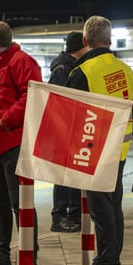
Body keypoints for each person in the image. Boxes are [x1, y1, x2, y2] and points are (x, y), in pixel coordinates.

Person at [65, 16, 133, 265]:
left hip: (93, 151)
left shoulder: (81, 72)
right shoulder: (126, 70)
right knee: (113, 207)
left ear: (85, 41)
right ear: (109, 40)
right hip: (118, 149)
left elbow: (71, 118)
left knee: (101, 210)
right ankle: (112, 262)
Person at [0, 20, 44, 265]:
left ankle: (30, 258)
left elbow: (32, 95)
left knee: (21, 204)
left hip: (13, 146)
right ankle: (1, 256)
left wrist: (6, 121)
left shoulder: (20, 62)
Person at [47, 31, 86, 233]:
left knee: (72, 175)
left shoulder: (71, 66)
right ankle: (59, 217)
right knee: (63, 176)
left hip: (72, 128)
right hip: (64, 130)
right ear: (81, 48)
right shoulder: (63, 68)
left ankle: (73, 214)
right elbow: (58, 100)